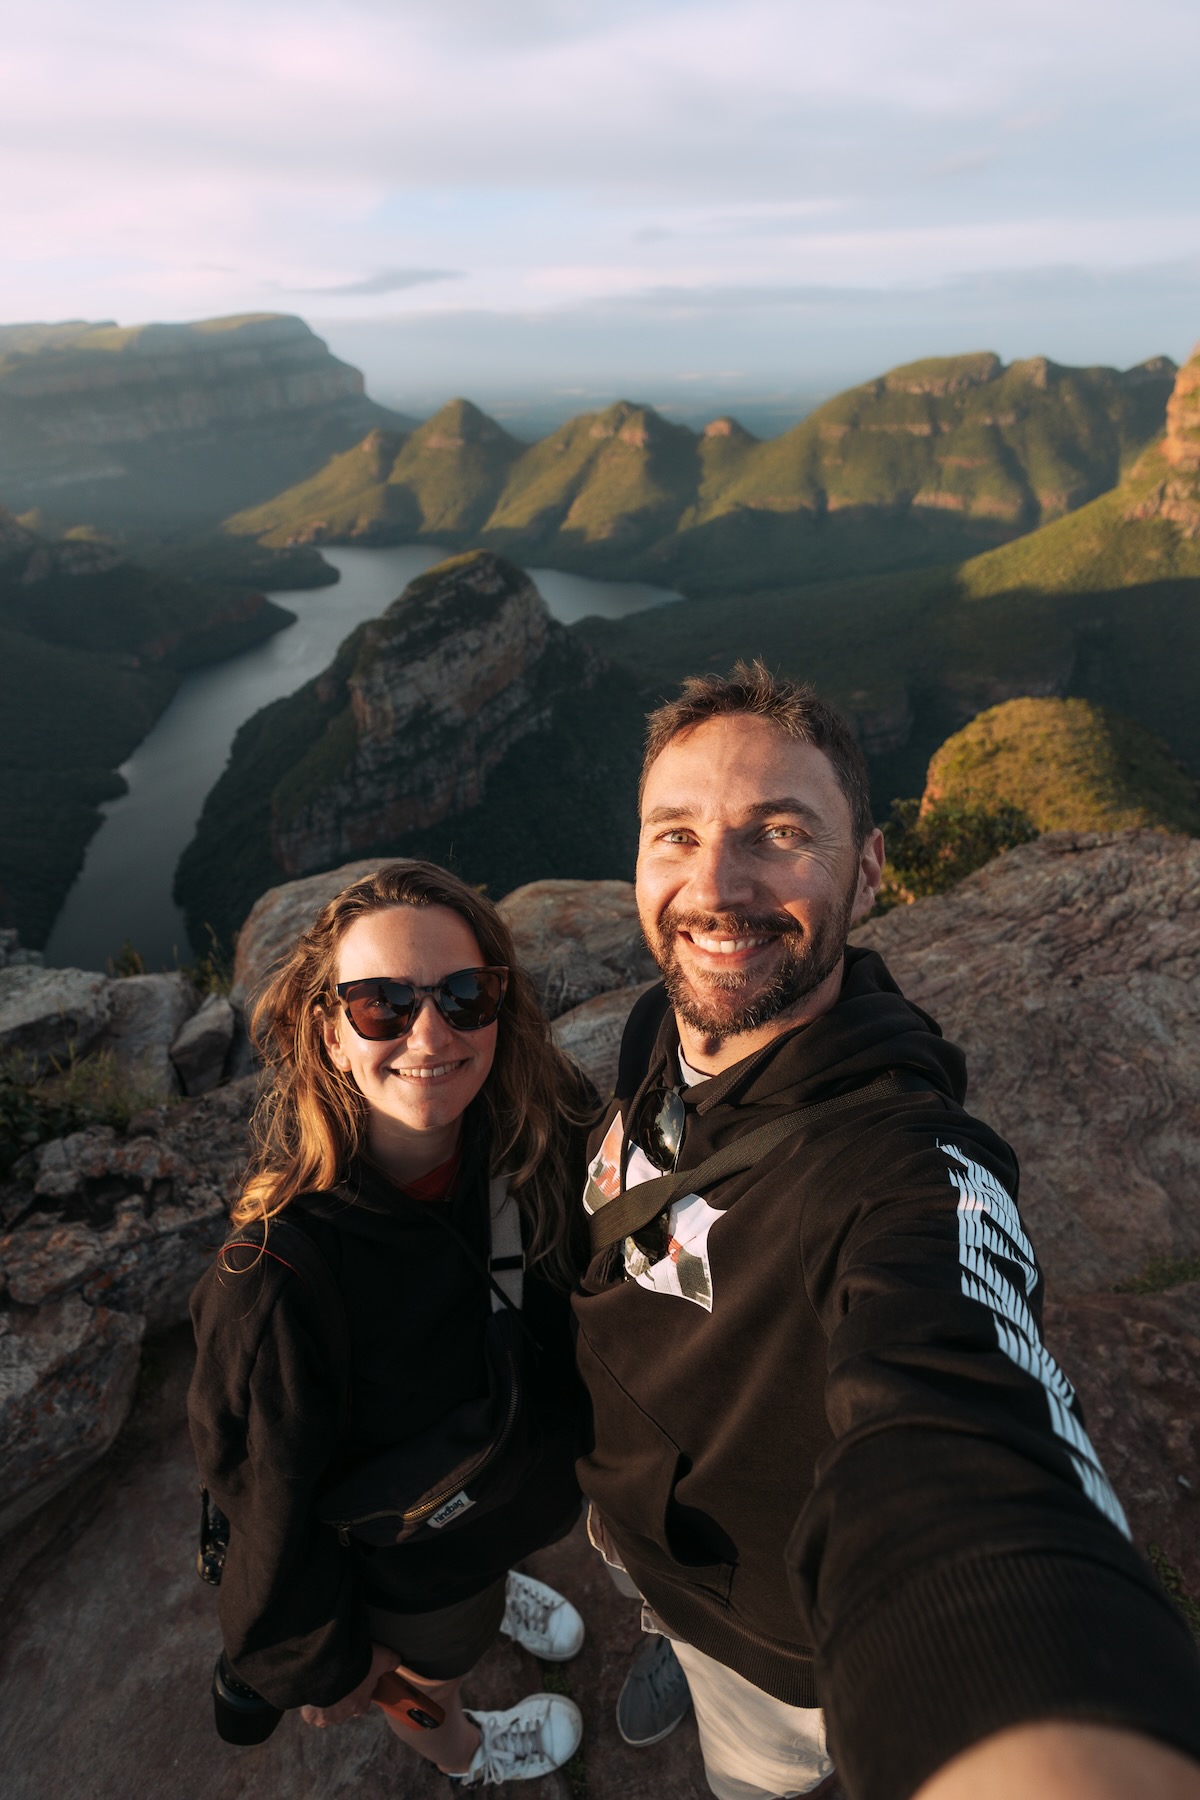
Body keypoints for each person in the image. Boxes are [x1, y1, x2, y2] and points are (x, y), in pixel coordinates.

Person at [573, 662, 1200, 1800]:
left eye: (776, 834)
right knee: (640, 1584)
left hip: (768, 1635)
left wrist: (1025, 1711)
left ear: (866, 874)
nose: (714, 887)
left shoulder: (903, 1163)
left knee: (749, 1775)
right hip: (630, 1509)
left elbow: (957, 1408)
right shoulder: (661, 1027)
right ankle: (657, 1624)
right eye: (674, 836)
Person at [189, 860, 594, 1787]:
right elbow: (264, 1510)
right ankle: (468, 1752)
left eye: (464, 994)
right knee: (428, 1676)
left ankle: (495, 1594)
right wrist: (331, 1663)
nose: (430, 1032)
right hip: (411, 1570)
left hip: (497, 1496)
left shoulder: (533, 1138)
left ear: (499, 1007)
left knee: (480, 1587)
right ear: (329, 1032)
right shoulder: (279, 1281)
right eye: (381, 1004)